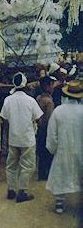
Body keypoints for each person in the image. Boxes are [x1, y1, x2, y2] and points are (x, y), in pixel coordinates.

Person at [0, 72, 43, 203]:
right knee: (27, 166)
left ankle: (11, 190)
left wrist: (7, 136)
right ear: (25, 85)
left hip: (13, 138)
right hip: (27, 139)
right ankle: (22, 191)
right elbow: (39, 119)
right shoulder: (31, 101)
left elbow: (4, 120)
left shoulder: (8, 100)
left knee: (11, 165)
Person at [45, 80, 83, 214]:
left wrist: (54, 149)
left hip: (63, 150)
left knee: (61, 176)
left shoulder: (58, 111)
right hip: (80, 150)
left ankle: (59, 204)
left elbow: (52, 134)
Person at [36, 76, 55, 180]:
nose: (53, 87)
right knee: (47, 154)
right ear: (47, 86)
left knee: (41, 154)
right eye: (52, 85)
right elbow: (49, 120)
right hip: (46, 131)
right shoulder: (49, 102)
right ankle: (46, 175)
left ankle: (41, 174)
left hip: (38, 130)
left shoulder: (38, 98)